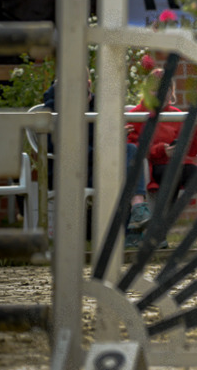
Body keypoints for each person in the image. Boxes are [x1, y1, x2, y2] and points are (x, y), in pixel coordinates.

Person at [126, 69, 197, 245]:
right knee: (174, 173)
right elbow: (133, 148)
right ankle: (159, 235)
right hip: (152, 168)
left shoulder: (176, 114)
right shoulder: (136, 115)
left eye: (166, 89)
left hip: (178, 165)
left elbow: (193, 152)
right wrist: (162, 150)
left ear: (172, 92)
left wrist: (195, 130)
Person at [43, 78, 150, 245]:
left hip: (99, 166)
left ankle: (138, 210)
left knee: (130, 150)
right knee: (123, 171)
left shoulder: (96, 108)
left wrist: (115, 138)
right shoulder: (53, 112)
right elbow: (63, 149)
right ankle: (134, 231)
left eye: (86, 90)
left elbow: (104, 144)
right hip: (72, 172)